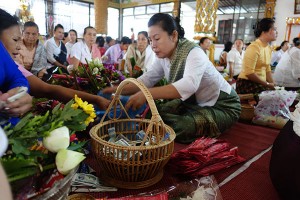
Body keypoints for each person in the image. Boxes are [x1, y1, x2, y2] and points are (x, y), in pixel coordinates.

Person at [103, 13, 241, 143]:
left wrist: (146, 94)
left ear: (174, 36)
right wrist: (116, 90)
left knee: (181, 126)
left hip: (222, 106)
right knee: (153, 115)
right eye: (150, 40)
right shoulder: (163, 56)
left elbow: (189, 85)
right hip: (191, 104)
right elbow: (146, 80)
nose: (153, 45)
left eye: (157, 39)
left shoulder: (194, 52)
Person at [0, 10, 110, 111]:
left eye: (94, 35)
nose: (19, 47)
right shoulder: (68, 45)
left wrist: (96, 99)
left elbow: (47, 89)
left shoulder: (13, 68)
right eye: (15, 40)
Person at [0, 9, 32, 118]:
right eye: (15, 40)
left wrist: (18, 90)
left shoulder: (3, 56)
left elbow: (17, 77)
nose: (19, 47)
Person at [236, 18, 277, 94]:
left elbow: (267, 68)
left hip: (260, 83)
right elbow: (249, 73)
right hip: (247, 83)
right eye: (274, 29)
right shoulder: (254, 47)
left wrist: (273, 85)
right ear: (266, 31)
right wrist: (267, 84)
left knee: (276, 94)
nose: (276, 32)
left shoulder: (268, 48)